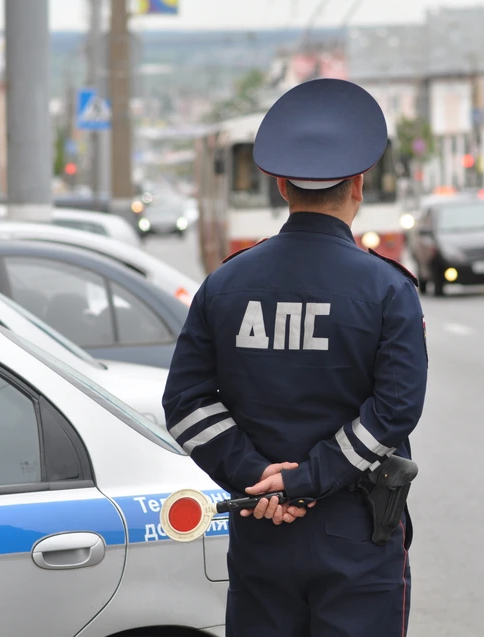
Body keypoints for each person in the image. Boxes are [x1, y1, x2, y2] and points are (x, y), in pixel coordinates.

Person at [162, 78, 429, 637]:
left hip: (261, 530)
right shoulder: (387, 290)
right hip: (356, 534)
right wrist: (308, 479)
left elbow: (186, 404)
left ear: (281, 186)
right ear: (358, 184)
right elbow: (396, 410)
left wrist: (257, 474)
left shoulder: (225, 285)